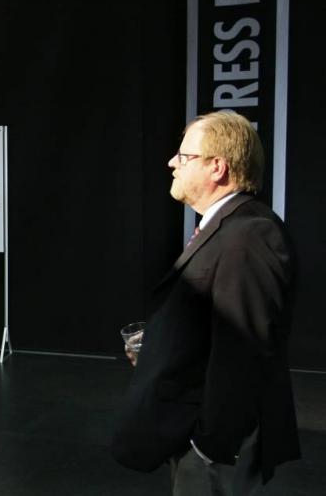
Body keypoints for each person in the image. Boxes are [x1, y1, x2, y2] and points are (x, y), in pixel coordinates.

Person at [112, 110, 300, 494]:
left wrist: (207, 445)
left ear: (217, 167)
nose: (172, 163)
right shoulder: (226, 226)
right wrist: (160, 344)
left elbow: (245, 348)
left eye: (184, 156)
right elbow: (212, 320)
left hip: (218, 448)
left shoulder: (249, 234)